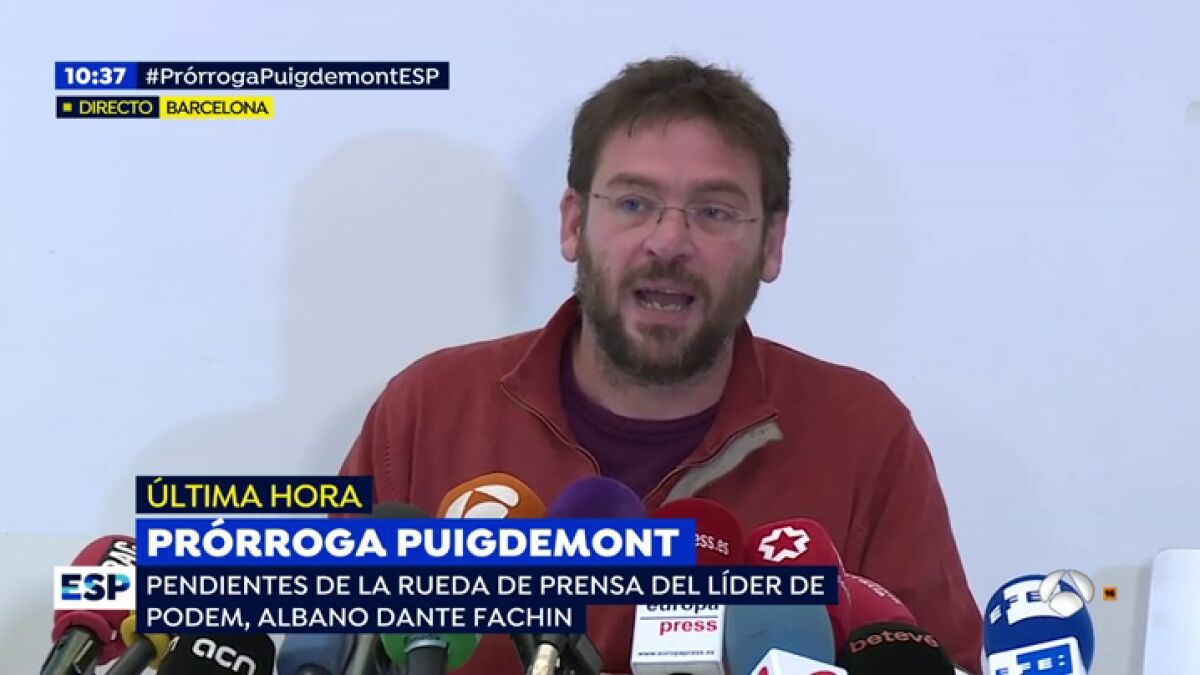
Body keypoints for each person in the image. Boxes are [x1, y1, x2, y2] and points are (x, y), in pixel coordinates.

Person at [339, 55, 983, 674]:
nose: (669, 242)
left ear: (771, 244)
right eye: (633, 203)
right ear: (573, 224)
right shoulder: (427, 413)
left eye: (713, 211)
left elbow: (934, 660)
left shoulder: (864, 437)